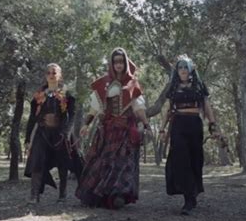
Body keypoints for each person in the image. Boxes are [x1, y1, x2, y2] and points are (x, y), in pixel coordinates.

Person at [76, 47, 151, 209]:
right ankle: (100, 195)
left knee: (123, 163)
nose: (119, 64)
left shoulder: (132, 84)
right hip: (107, 129)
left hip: (125, 129)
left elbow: (138, 108)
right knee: (103, 161)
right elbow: (95, 108)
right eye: (116, 61)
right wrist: (86, 124)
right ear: (111, 63)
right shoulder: (103, 82)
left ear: (126, 63)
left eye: (121, 61)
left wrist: (146, 125)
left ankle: (119, 195)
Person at [159, 55, 220, 215]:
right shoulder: (172, 87)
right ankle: (188, 199)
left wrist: (213, 126)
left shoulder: (199, 86)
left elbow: (207, 107)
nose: (183, 70)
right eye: (180, 68)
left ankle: (193, 194)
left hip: (194, 124)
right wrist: (162, 129)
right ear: (177, 71)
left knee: (195, 159)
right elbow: (168, 109)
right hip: (178, 125)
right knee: (181, 160)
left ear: (191, 69)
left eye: (186, 67)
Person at [24, 63, 78, 204]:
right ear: (45, 75)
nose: (51, 75)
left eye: (54, 72)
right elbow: (32, 118)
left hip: (60, 134)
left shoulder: (67, 94)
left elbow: (71, 115)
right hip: (42, 133)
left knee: (63, 163)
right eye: (48, 73)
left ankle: (62, 194)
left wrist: (66, 132)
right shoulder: (39, 95)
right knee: (37, 161)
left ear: (59, 75)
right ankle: (34, 195)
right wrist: (27, 138)